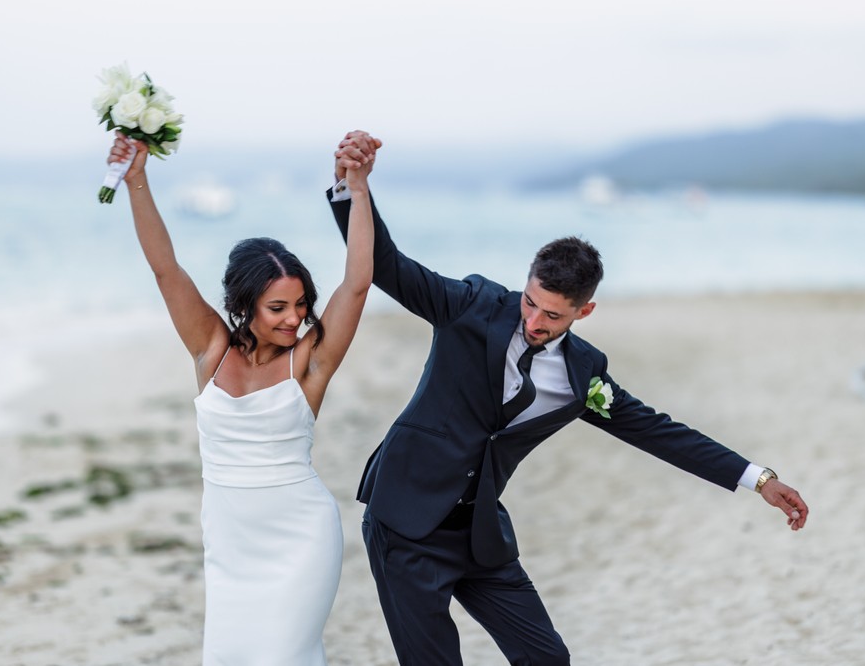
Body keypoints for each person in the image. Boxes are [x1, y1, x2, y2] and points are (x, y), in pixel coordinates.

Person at [328, 131, 809, 666]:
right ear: (525, 283)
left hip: (480, 536)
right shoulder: (470, 305)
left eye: (552, 315)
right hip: (405, 521)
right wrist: (355, 189)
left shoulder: (584, 375)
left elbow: (659, 431)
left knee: (549, 660)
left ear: (585, 312)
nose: (533, 322)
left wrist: (757, 479)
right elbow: (388, 266)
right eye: (530, 303)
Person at [107, 129, 379, 665]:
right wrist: (137, 181)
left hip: (300, 537)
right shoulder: (209, 350)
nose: (295, 318)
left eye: (301, 305)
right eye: (278, 307)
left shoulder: (309, 362)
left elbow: (357, 283)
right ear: (245, 304)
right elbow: (166, 270)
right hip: (229, 544)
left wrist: (358, 189)